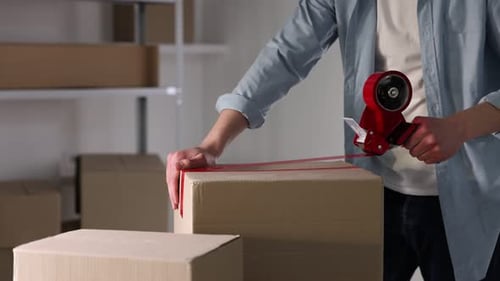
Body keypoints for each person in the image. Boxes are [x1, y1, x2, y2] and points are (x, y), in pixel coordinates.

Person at [166, 1, 500, 280]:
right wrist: (212, 144)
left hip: (473, 199)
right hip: (375, 192)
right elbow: (285, 55)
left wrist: (460, 127)